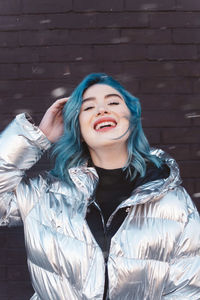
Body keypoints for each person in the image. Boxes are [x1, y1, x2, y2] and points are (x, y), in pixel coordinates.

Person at [0, 73, 200, 300]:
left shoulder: (173, 202)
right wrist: (38, 137)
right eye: (88, 108)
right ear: (78, 129)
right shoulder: (43, 194)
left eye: (113, 102)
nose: (102, 110)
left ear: (132, 119)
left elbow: (188, 291)